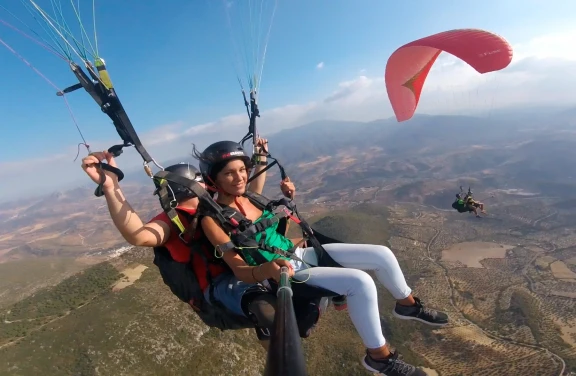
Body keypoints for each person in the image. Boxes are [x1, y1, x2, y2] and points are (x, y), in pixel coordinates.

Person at [194, 140, 450, 376]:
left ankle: (408, 305)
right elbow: (238, 269)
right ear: (213, 179)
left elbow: (257, 182)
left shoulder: (249, 196)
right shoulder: (213, 220)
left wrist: (263, 160)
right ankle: (379, 357)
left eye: (242, 169)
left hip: (299, 253)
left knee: (380, 253)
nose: (239, 177)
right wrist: (268, 270)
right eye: (228, 173)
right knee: (359, 283)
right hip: (284, 273)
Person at [80, 139, 280, 350]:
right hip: (219, 289)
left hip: (241, 273)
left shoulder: (213, 208)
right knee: (265, 307)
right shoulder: (176, 221)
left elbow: (250, 196)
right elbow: (138, 236)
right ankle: (281, 356)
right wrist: (111, 187)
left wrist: (260, 159)